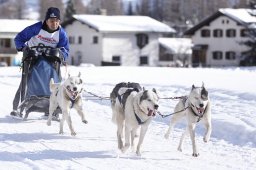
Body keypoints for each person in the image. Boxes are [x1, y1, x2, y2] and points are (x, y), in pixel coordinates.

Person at [10, 7, 69, 117]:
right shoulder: (36, 28)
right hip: (33, 59)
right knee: (25, 82)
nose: (54, 23)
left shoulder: (61, 33)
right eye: (51, 21)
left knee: (53, 83)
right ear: (46, 20)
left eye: (57, 21)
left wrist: (61, 54)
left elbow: (65, 50)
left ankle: (52, 108)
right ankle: (18, 107)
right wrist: (23, 48)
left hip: (51, 61)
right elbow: (19, 38)